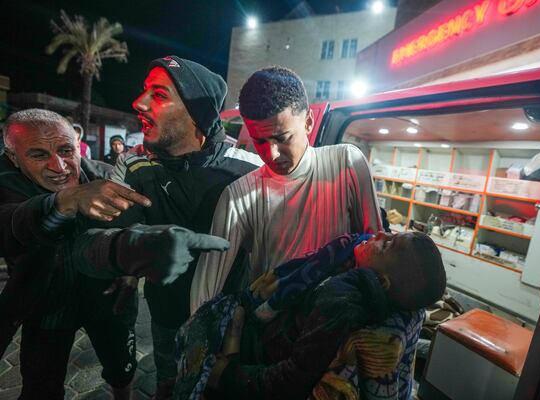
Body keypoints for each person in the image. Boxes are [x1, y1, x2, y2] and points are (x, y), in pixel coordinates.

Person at [66, 55, 262, 399]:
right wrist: (126, 255)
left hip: (229, 326)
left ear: (197, 113)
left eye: (158, 95)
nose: (138, 103)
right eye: (145, 92)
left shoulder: (250, 170)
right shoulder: (133, 163)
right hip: (166, 317)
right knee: (169, 387)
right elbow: (96, 244)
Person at [190, 66, 382, 313]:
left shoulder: (347, 163)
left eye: (282, 138)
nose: (271, 154)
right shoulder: (238, 196)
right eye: (259, 141)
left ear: (309, 122)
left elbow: (377, 255)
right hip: (270, 336)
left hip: (338, 327)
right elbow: (205, 288)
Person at [177, 231, 446, 400]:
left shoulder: (341, 304)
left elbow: (295, 377)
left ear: (382, 282)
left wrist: (229, 374)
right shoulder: (347, 269)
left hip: (257, 358)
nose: (378, 234)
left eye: (386, 245)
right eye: (389, 233)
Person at [0, 109, 148, 399]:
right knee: (40, 387)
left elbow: (138, 229)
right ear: (14, 158)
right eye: (39, 155)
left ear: (77, 144)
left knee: (122, 368)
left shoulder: (110, 178)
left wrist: (131, 275)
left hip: (108, 301)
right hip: (46, 307)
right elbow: (9, 224)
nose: (59, 166)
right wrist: (62, 203)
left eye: (66, 150)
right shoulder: (5, 186)